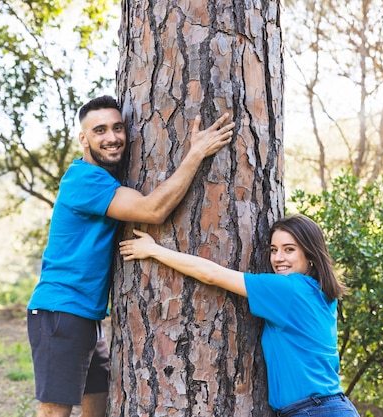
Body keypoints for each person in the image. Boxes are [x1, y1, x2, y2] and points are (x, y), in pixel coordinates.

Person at [27, 94, 235, 417]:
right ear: (83, 139)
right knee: (55, 411)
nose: (112, 137)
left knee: (96, 406)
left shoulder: (103, 179)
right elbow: (153, 209)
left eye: (117, 128)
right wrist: (196, 153)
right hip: (60, 312)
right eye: (99, 131)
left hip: (85, 316)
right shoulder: (85, 180)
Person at [119, 214, 360, 417]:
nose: (277, 258)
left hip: (315, 410)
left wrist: (154, 250)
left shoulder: (289, 289)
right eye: (274, 250)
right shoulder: (318, 292)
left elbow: (211, 274)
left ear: (310, 255)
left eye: (289, 250)